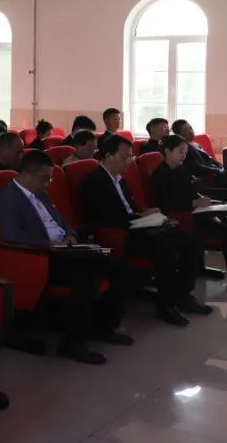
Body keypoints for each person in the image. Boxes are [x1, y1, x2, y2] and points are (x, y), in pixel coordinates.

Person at [0, 151, 132, 364]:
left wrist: (70, 234)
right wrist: (49, 244)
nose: (47, 184)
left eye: (50, 179)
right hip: (44, 257)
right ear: (26, 175)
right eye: (44, 178)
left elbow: (60, 220)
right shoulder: (9, 197)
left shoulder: (40, 192)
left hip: (66, 249)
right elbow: (11, 235)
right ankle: (73, 343)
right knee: (87, 279)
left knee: (119, 268)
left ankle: (105, 327)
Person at [81, 135, 211, 327]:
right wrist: (137, 217)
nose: (128, 161)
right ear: (108, 155)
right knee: (166, 249)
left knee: (191, 241)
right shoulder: (95, 181)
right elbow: (103, 216)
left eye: (130, 157)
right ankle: (166, 306)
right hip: (122, 234)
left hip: (139, 227)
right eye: (125, 157)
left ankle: (183, 295)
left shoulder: (121, 180)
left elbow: (130, 208)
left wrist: (146, 213)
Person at [151, 135, 227, 298]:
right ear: (167, 151)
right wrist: (193, 204)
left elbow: (192, 193)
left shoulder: (181, 170)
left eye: (185, 152)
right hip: (186, 220)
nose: (183, 156)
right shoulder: (160, 174)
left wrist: (204, 199)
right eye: (180, 152)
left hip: (202, 214)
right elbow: (166, 204)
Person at [172, 120, 227, 193]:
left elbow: (210, 160)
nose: (191, 131)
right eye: (185, 130)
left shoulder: (196, 144)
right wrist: (218, 171)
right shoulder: (185, 149)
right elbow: (198, 167)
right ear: (179, 135)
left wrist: (222, 167)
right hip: (207, 177)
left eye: (190, 128)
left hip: (214, 171)